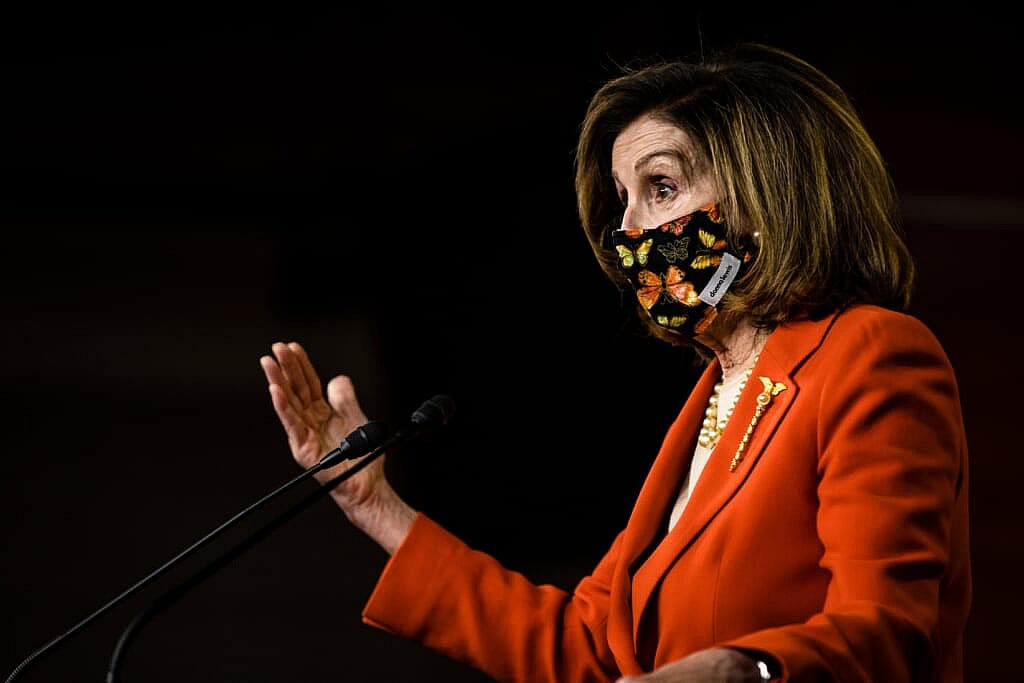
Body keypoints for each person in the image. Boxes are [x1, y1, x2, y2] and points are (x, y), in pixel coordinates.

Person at [259, 42, 971, 682]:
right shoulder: (710, 401)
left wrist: (744, 669)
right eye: (623, 199)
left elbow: (888, 630)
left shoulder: (869, 353)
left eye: (660, 188)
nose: (626, 228)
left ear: (764, 199)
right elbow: (589, 648)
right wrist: (375, 506)